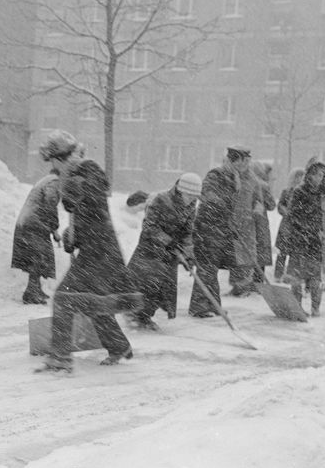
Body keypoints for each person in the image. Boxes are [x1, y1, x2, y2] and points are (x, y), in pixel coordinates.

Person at [36, 130, 143, 373]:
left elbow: (93, 204)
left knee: (64, 300)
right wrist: (71, 235)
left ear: (61, 157)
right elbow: (85, 216)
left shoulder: (85, 171)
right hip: (99, 249)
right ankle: (118, 347)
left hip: (99, 251)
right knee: (93, 301)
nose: (51, 167)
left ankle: (60, 359)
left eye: (52, 160)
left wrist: (76, 191)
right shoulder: (76, 174)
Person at [127, 173, 201, 330]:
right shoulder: (161, 199)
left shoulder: (191, 205)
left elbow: (188, 232)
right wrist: (167, 241)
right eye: (189, 195)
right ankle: (135, 315)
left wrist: (188, 255)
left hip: (170, 253)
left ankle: (146, 317)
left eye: (194, 196)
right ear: (180, 191)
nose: (192, 199)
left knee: (163, 288)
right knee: (147, 283)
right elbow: (149, 227)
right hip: (150, 249)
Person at [189, 145, 250, 316]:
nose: (243, 165)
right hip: (207, 228)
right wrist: (221, 207)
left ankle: (213, 305)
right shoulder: (216, 174)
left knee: (211, 267)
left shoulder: (234, 176)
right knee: (206, 268)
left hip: (220, 228)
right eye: (241, 161)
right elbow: (206, 193)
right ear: (232, 160)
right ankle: (199, 307)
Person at [286, 160, 325, 317]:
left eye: (322, 175)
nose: (319, 178)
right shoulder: (300, 192)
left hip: (317, 243)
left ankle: (315, 307)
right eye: (316, 174)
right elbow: (293, 215)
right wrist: (310, 229)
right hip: (301, 239)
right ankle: (297, 306)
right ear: (309, 175)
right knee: (297, 276)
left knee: (315, 277)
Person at [11, 167, 61, 304]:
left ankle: (35, 289)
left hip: (26, 222)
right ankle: (30, 293)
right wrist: (55, 228)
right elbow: (51, 202)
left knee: (36, 256)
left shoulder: (44, 181)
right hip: (34, 224)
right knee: (38, 258)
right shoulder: (55, 182)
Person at [227, 154, 263, 297]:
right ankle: (237, 285)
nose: (244, 164)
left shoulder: (253, 180)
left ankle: (244, 285)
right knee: (233, 255)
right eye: (241, 161)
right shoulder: (228, 177)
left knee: (247, 254)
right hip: (230, 222)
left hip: (247, 223)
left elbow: (259, 201)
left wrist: (257, 210)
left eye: (247, 161)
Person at [273, 167, 305, 282]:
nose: (299, 179)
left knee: (295, 252)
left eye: (301, 177)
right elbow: (280, 205)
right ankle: (278, 274)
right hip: (287, 225)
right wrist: (285, 211)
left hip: (298, 226)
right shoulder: (286, 191)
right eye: (297, 177)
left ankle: (290, 274)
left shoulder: (304, 193)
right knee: (282, 251)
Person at [251, 161, 276, 287]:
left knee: (248, 248)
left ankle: (245, 281)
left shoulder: (244, 182)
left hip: (246, 220)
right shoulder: (263, 186)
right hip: (260, 221)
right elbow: (272, 205)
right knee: (261, 249)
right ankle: (258, 281)